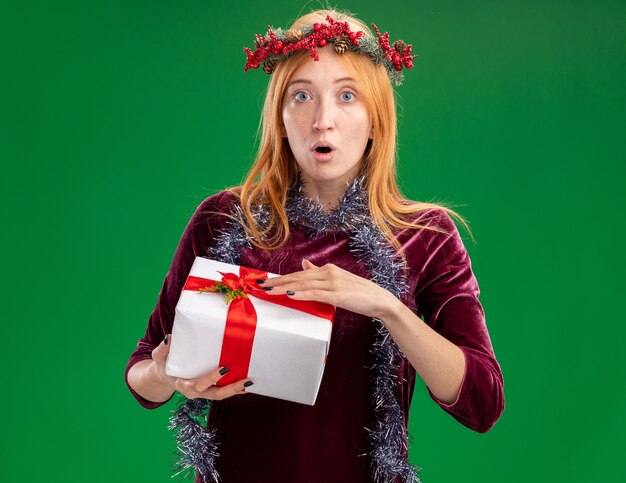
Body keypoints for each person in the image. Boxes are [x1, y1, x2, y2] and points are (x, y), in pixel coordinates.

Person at [125, 8, 505, 483]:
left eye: (347, 96)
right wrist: (168, 375)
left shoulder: (426, 235)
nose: (322, 120)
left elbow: (482, 403)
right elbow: (143, 373)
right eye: (301, 96)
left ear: (376, 120)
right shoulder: (223, 218)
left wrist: (388, 307)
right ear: (280, 117)